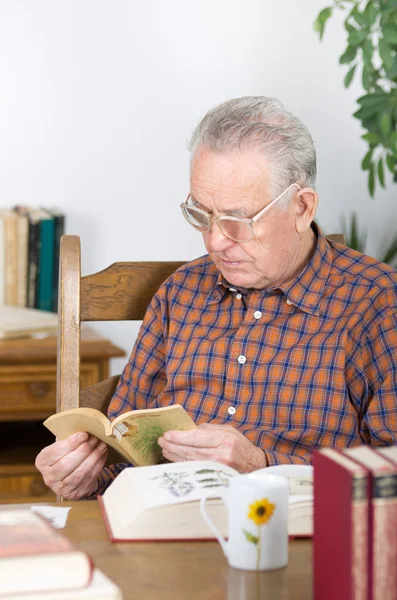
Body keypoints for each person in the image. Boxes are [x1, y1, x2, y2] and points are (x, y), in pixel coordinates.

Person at [36, 96, 397, 500]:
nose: (214, 241)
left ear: (302, 207)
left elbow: (390, 474)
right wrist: (82, 476)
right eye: (201, 214)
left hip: (298, 542)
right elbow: (120, 455)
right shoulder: (181, 293)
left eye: (237, 220)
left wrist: (260, 465)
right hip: (161, 534)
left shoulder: (378, 303)